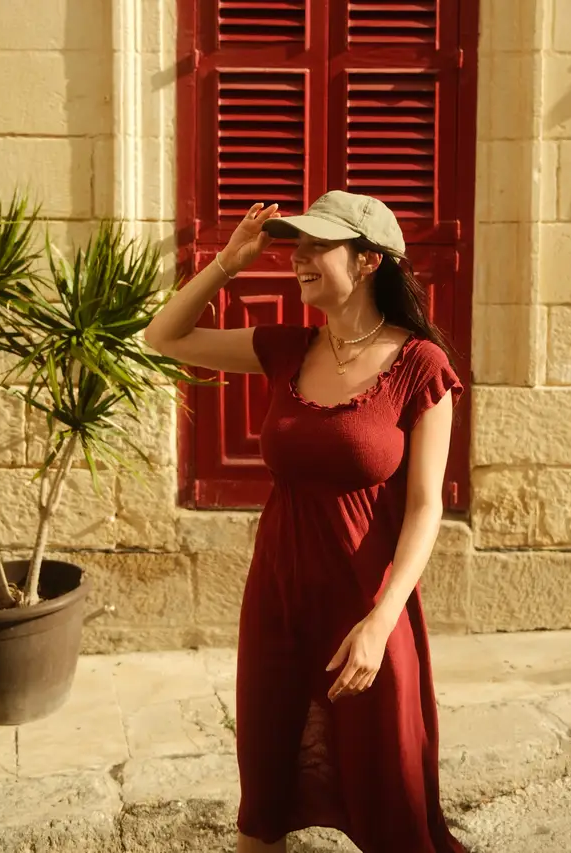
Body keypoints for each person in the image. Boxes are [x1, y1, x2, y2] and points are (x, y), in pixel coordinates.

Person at [144, 191, 467, 853]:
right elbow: (163, 336)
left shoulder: (421, 366)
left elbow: (426, 506)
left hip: (365, 607)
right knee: (265, 790)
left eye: (319, 244)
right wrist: (227, 264)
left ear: (369, 259)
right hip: (279, 598)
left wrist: (381, 622)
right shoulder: (286, 349)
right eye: (297, 244)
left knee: (390, 791)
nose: (298, 257)